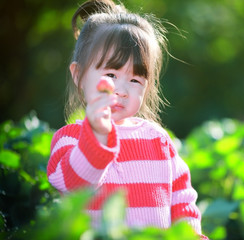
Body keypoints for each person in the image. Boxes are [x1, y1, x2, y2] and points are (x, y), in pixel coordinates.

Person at [47, 0, 208, 238]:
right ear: (79, 75)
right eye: (111, 74)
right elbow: (74, 184)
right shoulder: (70, 139)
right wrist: (98, 135)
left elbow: (182, 202)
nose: (122, 90)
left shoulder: (158, 141)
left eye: (135, 80)